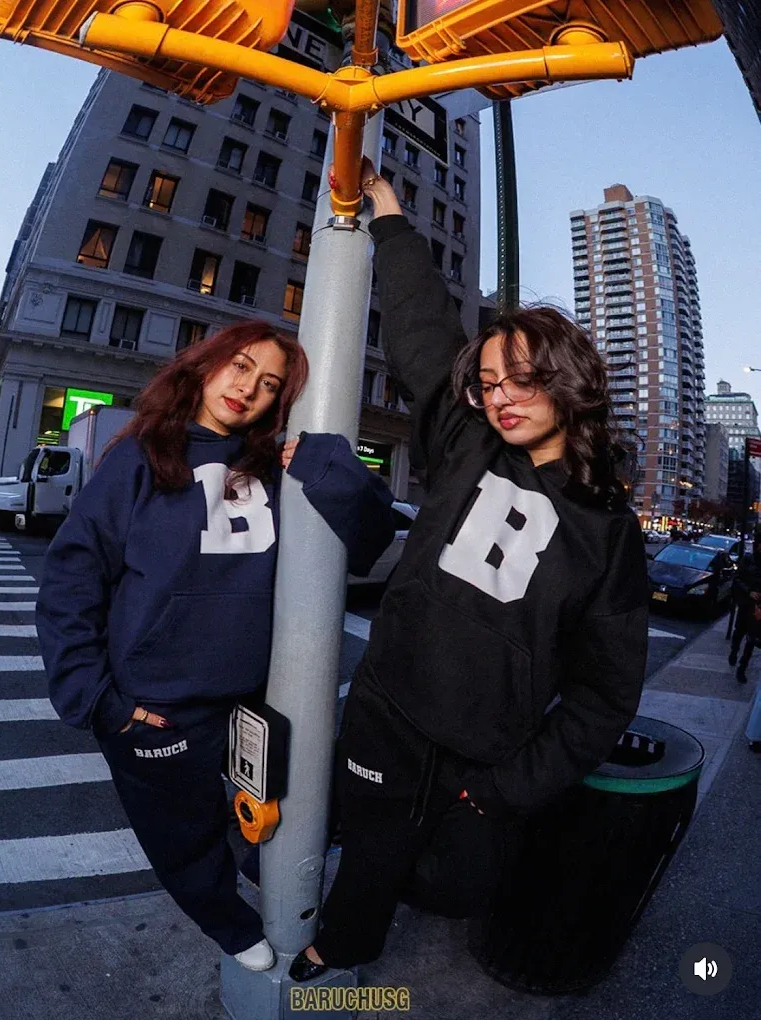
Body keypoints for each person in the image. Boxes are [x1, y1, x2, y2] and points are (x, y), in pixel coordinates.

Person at [289, 162, 649, 981]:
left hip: (484, 760)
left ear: (569, 380)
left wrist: (509, 787)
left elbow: (602, 696)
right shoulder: (468, 445)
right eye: (489, 382)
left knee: (453, 885)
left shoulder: (609, 534)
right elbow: (423, 334)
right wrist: (389, 220)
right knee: (370, 854)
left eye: (522, 377)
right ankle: (339, 954)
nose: (501, 396)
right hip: (388, 712)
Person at [36, 320, 394, 976]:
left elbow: (374, 533)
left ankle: (269, 878)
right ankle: (227, 923)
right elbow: (71, 579)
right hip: (155, 707)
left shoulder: (274, 466)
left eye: (269, 385)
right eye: (240, 366)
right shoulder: (142, 454)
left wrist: (326, 465)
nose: (247, 389)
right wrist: (97, 700)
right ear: (205, 364)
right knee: (184, 840)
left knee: (282, 812)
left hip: (256, 700)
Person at [728, 530, 761, 683]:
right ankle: (734, 651)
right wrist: (749, 592)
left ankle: (742, 668)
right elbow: (737, 578)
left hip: (758, 606)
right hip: (746, 603)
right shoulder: (748, 560)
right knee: (739, 631)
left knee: (752, 638)